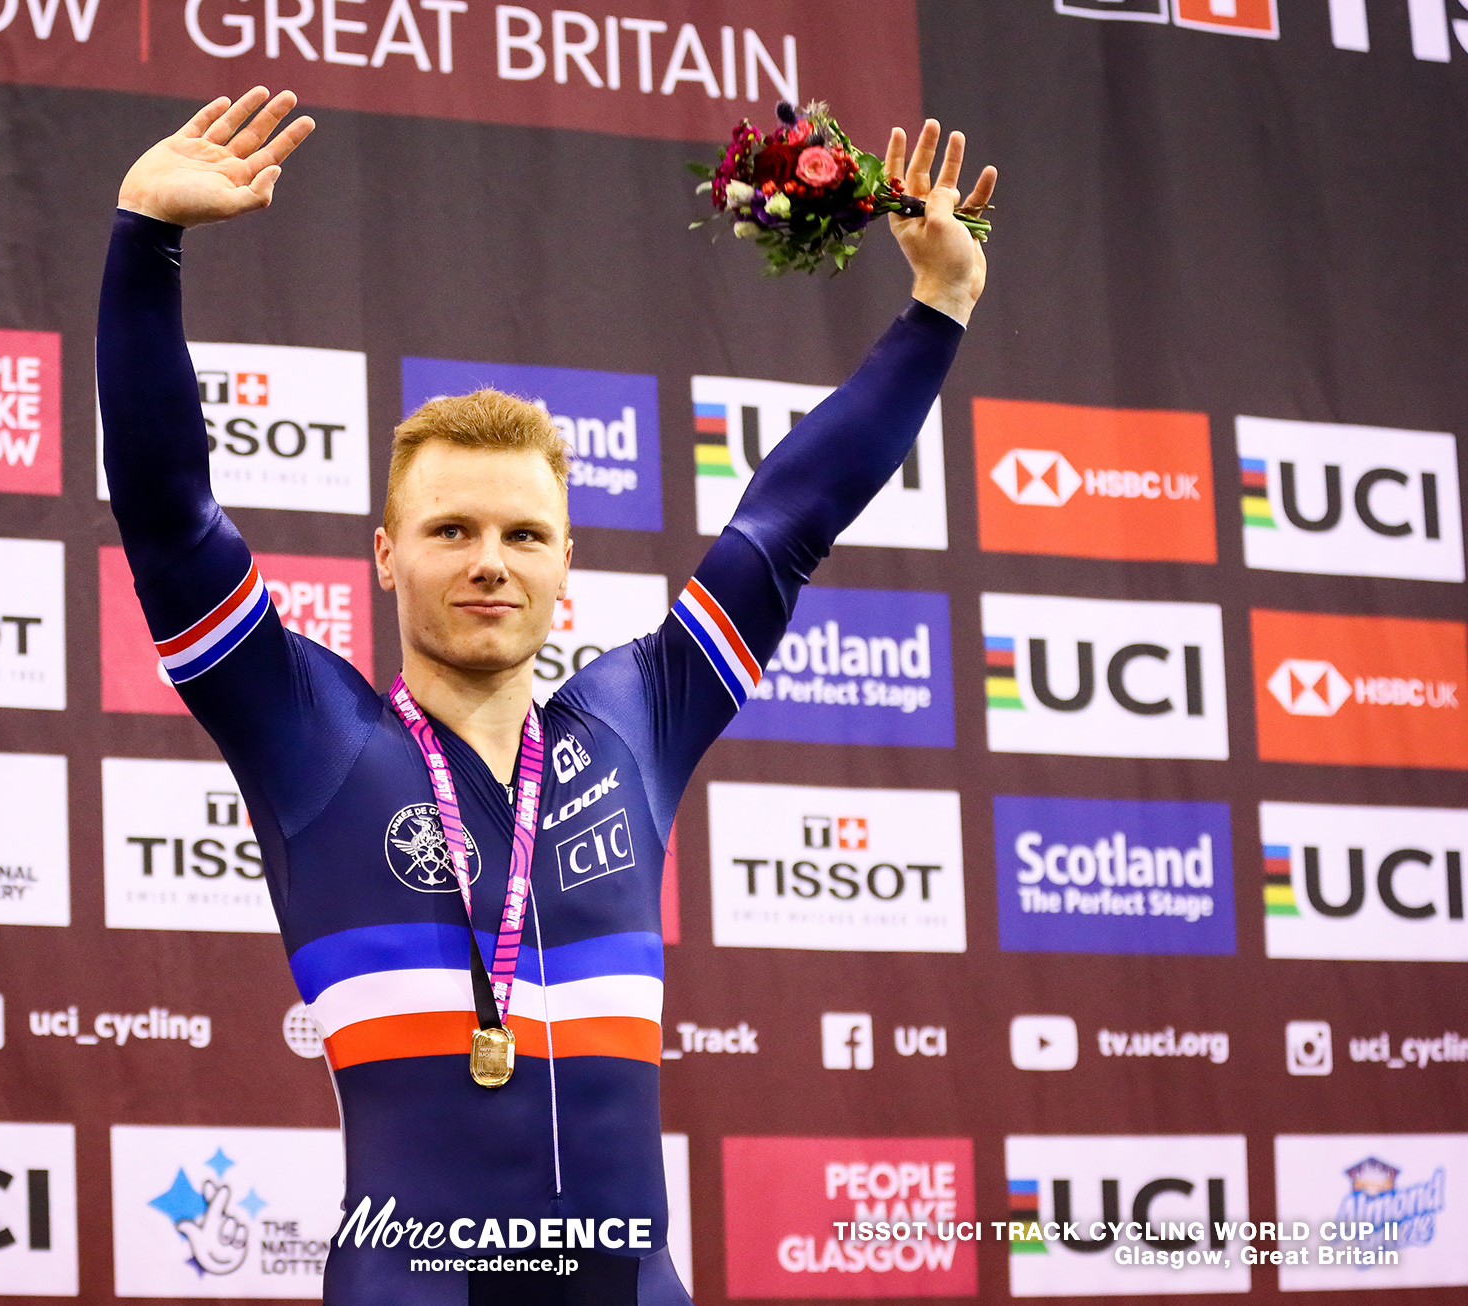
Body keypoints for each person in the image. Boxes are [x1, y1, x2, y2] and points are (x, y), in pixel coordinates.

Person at [100, 86, 994, 1306]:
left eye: (525, 533)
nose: (488, 560)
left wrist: (937, 308)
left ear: (566, 560)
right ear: (383, 551)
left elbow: (789, 518)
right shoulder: (308, 734)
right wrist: (144, 239)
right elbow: (167, 517)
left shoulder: (637, 720)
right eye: (451, 528)